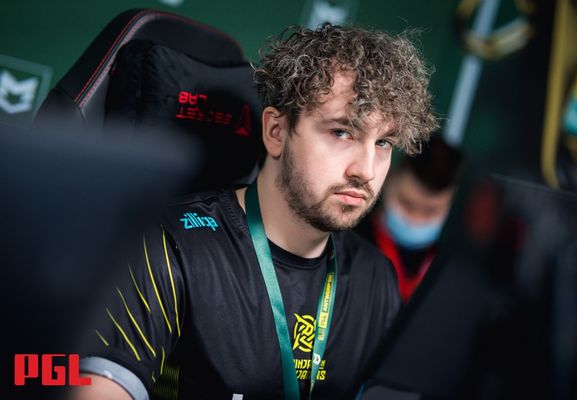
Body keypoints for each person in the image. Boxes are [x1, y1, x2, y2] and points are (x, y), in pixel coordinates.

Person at [73, 23, 438, 400]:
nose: (366, 170)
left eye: (383, 142)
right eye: (342, 132)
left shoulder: (375, 277)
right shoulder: (170, 244)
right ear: (276, 131)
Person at [356, 134, 463, 303]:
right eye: (407, 204)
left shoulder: (452, 272)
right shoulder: (346, 238)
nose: (416, 220)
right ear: (389, 179)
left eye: (430, 212)